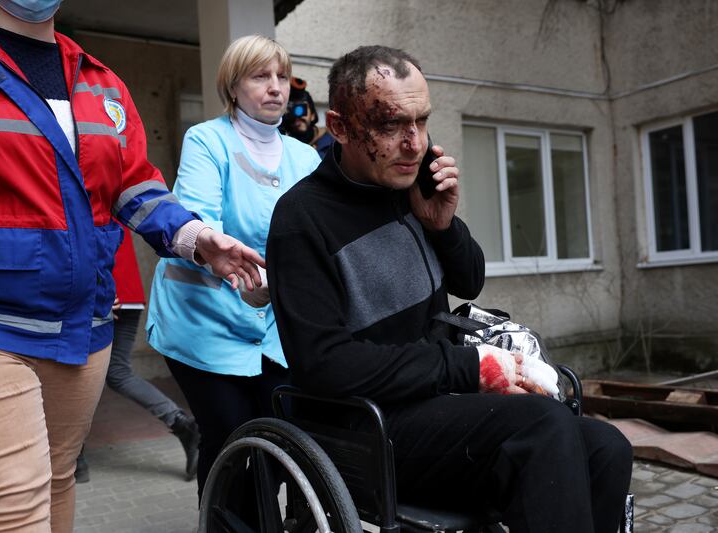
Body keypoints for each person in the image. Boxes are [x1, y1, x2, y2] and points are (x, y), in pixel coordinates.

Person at [0, 2, 263, 532]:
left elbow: (134, 184)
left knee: (57, 481)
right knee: (15, 502)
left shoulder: (100, 80)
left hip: (80, 326)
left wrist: (195, 237)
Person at [267, 45, 633, 533]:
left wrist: (442, 227)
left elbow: (470, 280)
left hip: (440, 406)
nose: (414, 144)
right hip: (369, 425)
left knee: (608, 447)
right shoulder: (301, 219)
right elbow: (325, 365)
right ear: (339, 127)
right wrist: (470, 368)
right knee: (542, 428)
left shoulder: (409, 189)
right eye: (392, 124)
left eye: (421, 121)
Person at [145, 35, 322, 496]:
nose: (275, 87)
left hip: (270, 324)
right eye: (260, 76)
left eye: (281, 76)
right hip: (203, 319)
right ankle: (224, 522)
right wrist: (244, 273)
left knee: (279, 445)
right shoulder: (207, 140)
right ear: (233, 86)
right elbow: (200, 215)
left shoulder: (305, 157)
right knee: (230, 439)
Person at [75, 229, 200, 484]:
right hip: (124, 287)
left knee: (71, 372)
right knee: (117, 372)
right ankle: (182, 424)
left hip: (101, 290)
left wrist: (97, 289)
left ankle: (74, 455)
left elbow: (84, 235)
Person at [280, 76, 334, 158]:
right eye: (292, 110)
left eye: (301, 109)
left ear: (312, 115)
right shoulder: (283, 146)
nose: (297, 116)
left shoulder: (332, 143)